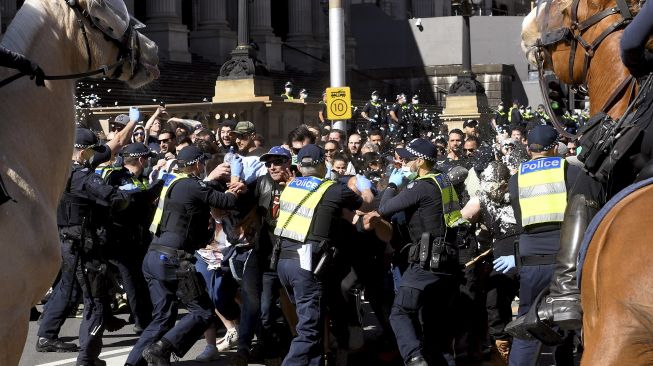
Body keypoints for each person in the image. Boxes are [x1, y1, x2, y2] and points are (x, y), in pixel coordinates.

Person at [125, 145, 244, 366]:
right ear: (197, 164)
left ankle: (133, 364)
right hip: (174, 260)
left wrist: (210, 181)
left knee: (162, 319)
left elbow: (198, 195)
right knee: (203, 312)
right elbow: (225, 201)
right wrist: (234, 188)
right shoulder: (191, 184)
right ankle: (162, 349)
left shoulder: (173, 183)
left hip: (154, 257)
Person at [36, 128, 133, 365]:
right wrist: (130, 195)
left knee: (74, 288)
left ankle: (53, 336)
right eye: (93, 151)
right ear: (83, 151)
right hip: (82, 244)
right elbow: (115, 198)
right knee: (93, 298)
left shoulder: (58, 168)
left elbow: (112, 147)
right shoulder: (82, 175)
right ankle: (86, 358)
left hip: (67, 239)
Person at [504, 126, 598, 364]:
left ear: (528, 149)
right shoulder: (571, 171)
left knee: (528, 322)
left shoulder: (516, 178)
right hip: (566, 260)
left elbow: (519, 214)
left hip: (530, 260)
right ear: (555, 147)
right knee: (569, 317)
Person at [272, 144, 373, 365]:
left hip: (283, 263)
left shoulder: (291, 186)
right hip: (306, 264)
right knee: (309, 330)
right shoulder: (332, 188)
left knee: (314, 325)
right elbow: (364, 206)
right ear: (321, 165)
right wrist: (366, 189)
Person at [374, 138, 466, 366]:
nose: (404, 163)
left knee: (400, 312)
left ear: (421, 160)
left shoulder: (421, 185)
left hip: (426, 264)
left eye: (408, 159)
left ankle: (414, 358)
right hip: (448, 264)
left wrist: (393, 186)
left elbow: (383, 209)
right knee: (436, 333)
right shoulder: (443, 182)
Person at [104, 143, 165, 335]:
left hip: (138, 236)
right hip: (122, 238)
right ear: (141, 159)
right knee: (131, 279)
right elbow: (136, 202)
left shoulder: (139, 178)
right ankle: (141, 319)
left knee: (140, 277)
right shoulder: (118, 177)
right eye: (147, 159)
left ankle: (141, 314)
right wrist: (162, 183)